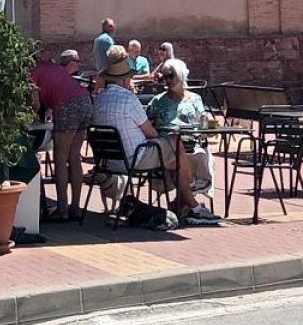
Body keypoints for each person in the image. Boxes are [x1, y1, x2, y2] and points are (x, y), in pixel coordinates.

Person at [91, 46, 211, 223]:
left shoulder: (99, 100)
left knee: (173, 156)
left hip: (109, 161)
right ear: (125, 79)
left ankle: (185, 200)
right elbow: (151, 132)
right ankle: (192, 201)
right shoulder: (128, 99)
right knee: (175, 145)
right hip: (135, 158)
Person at [29, 47, 93, 220]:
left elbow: (35, 105)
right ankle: (76, 208)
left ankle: (62, 208)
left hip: (67, 106)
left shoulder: (31, 73)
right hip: (85, 100)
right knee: (74, 158)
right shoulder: (52, 67)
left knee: (60, 158)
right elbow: (56, 88)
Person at [145, 65, 215, 197]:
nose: (168, 80)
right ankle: (190, 193)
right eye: (165, 77)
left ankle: (185, 203)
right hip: (166, 147)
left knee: (201, 154)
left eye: (171, 76)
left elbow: (204, 122)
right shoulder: (157, 100)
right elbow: (148, 124)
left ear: (182, 76)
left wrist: (208, 122)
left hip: (191, 144)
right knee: (179, 157)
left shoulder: (195, 99)